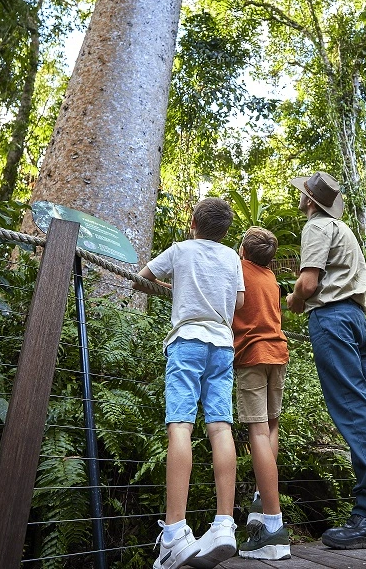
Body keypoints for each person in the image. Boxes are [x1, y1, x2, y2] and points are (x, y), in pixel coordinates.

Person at [285, 172, 366, 549]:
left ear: (310, 200)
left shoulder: (317, 227)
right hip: (356, 319)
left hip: (331, 320)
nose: (302, 199)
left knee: (353, 411)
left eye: (303, 195)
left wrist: (292, 302)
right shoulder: (344, 230)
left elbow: (308, 285)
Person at [135, 198, 245, 569]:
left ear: (194, 222)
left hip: (187, 344)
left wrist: (179, 286)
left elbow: (143, 278)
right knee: (220, 428)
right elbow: (240, 301)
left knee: (181, 425)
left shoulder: (180, 250)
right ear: (225, 230)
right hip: (222, 346)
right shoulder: (232, 258)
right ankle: (224, 525)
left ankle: (175, 532)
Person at [231, 227, 291, 561]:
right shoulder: (272, 278)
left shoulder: (238, 269)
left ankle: (273, 527)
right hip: (277, 354)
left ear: (243, 250)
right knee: (271, 426)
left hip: (253, 356)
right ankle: (260, 494)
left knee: (256, 429)